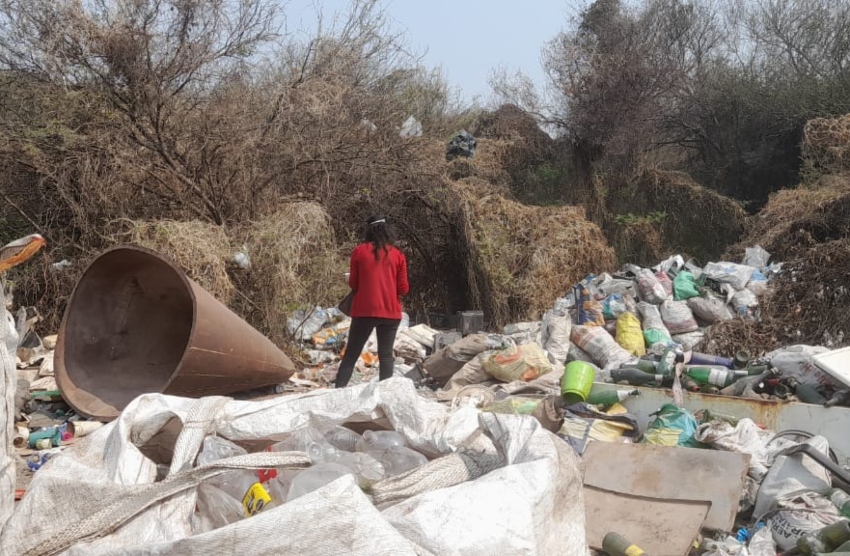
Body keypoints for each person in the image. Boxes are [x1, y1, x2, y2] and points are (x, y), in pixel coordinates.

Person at [335, 216, 409, 388]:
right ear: (387, 231)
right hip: (391, 312)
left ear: (368, 231)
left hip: (365, 311)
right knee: (385, 356)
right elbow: (403, 289)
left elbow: (354, 283)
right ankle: (385, 397)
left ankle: (338, 394)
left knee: (351, 355)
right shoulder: (398, 255)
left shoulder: (359, 252)